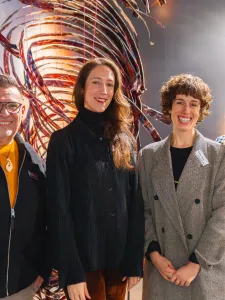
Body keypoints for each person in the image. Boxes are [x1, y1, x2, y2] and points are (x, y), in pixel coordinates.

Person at [46, 58, 144, 300]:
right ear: (82, 88)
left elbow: (135, 204)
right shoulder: (63, 141)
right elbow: (58, 211)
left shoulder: (125, 140)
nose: (103, 91)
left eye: (110, 85)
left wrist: (134, 261)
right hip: (84, 266)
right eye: (96, 83)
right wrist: (71, 273)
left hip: (119, 265)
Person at [139, 74, 225, 300]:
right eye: (180, 102)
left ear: (201, 110)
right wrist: (154, 255)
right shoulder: (148, 156)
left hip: (204, 272)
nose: (186, 110)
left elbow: (223, 214)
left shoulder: (218, 155)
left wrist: (196, 263)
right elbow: (143, 209)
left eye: (193, 104)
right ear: (169, 107)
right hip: (162, 272)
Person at [0, 75, 50, 299]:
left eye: (12, 106)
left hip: (22, 289)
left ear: (22, 111)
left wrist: (43, 269)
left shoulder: (34, 161)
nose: (5, 113)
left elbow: (47, 222)